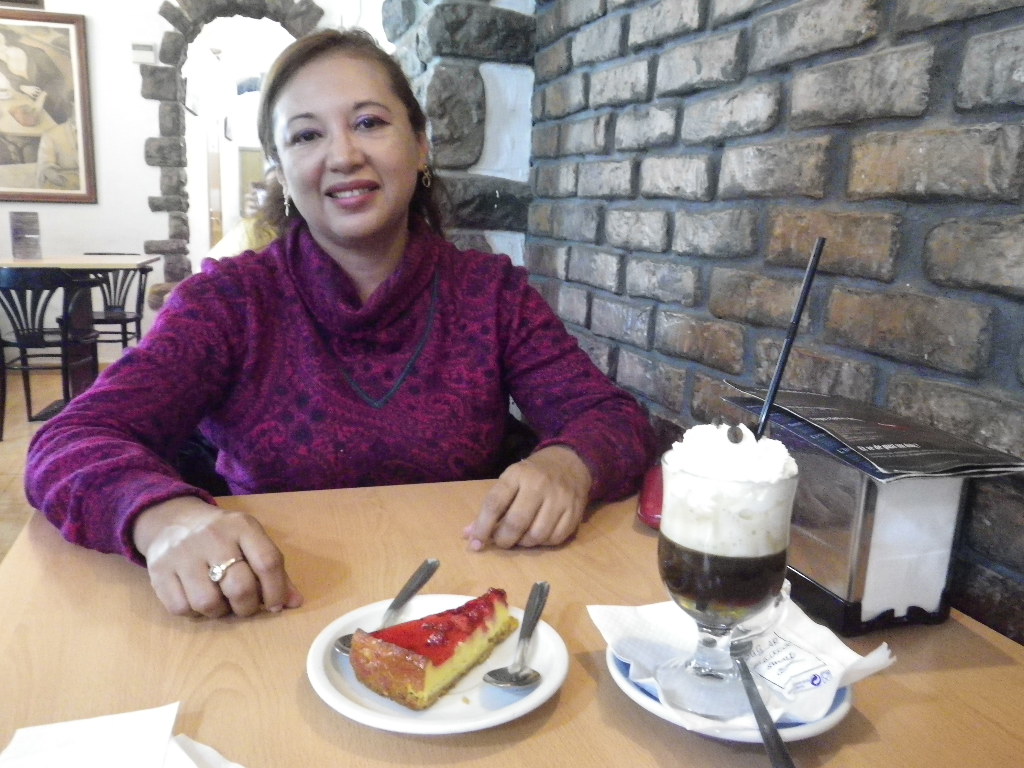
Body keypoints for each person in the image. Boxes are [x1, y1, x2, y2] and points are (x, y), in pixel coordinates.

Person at [25, 29, 656, 620]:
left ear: (421, 145)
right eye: (306, 136)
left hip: (467, 596)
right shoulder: (228, 302)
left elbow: (611, 417)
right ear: (280, 169)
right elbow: (70, 439)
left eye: (369, 123)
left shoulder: (491, 294)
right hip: (278, 604)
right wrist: (164, 518)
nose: (344, 155)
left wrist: (570, 463)